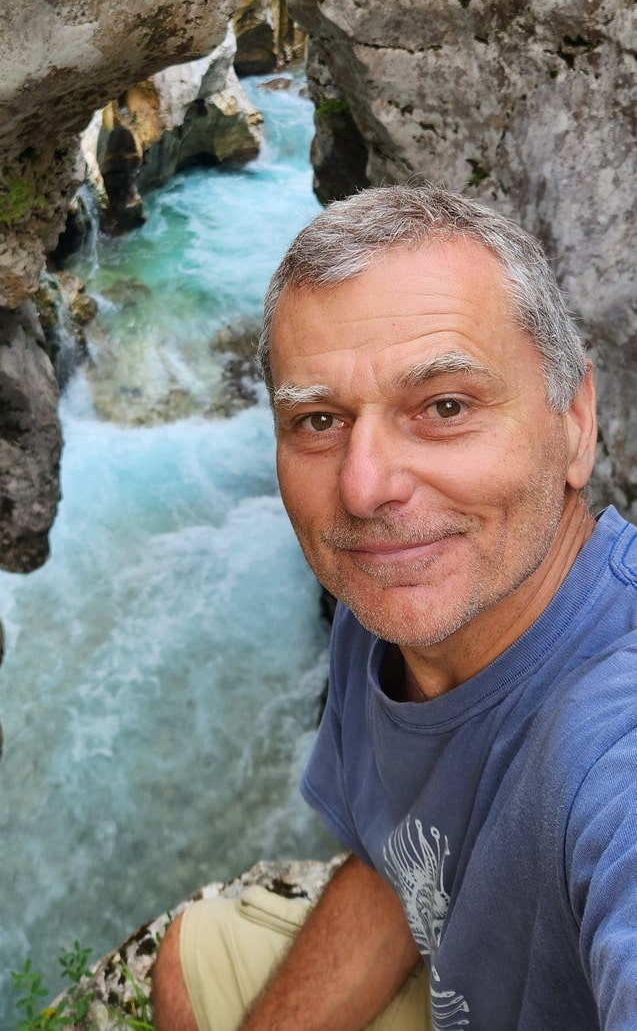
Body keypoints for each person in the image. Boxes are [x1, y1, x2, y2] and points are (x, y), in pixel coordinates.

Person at [151, 185, 637, 1031]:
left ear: (573, 421)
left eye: (444, 407)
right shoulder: (381, 608)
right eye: (317, 420)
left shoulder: (611, 738)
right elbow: (402, 866)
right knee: (191, 959)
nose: (364, 487)